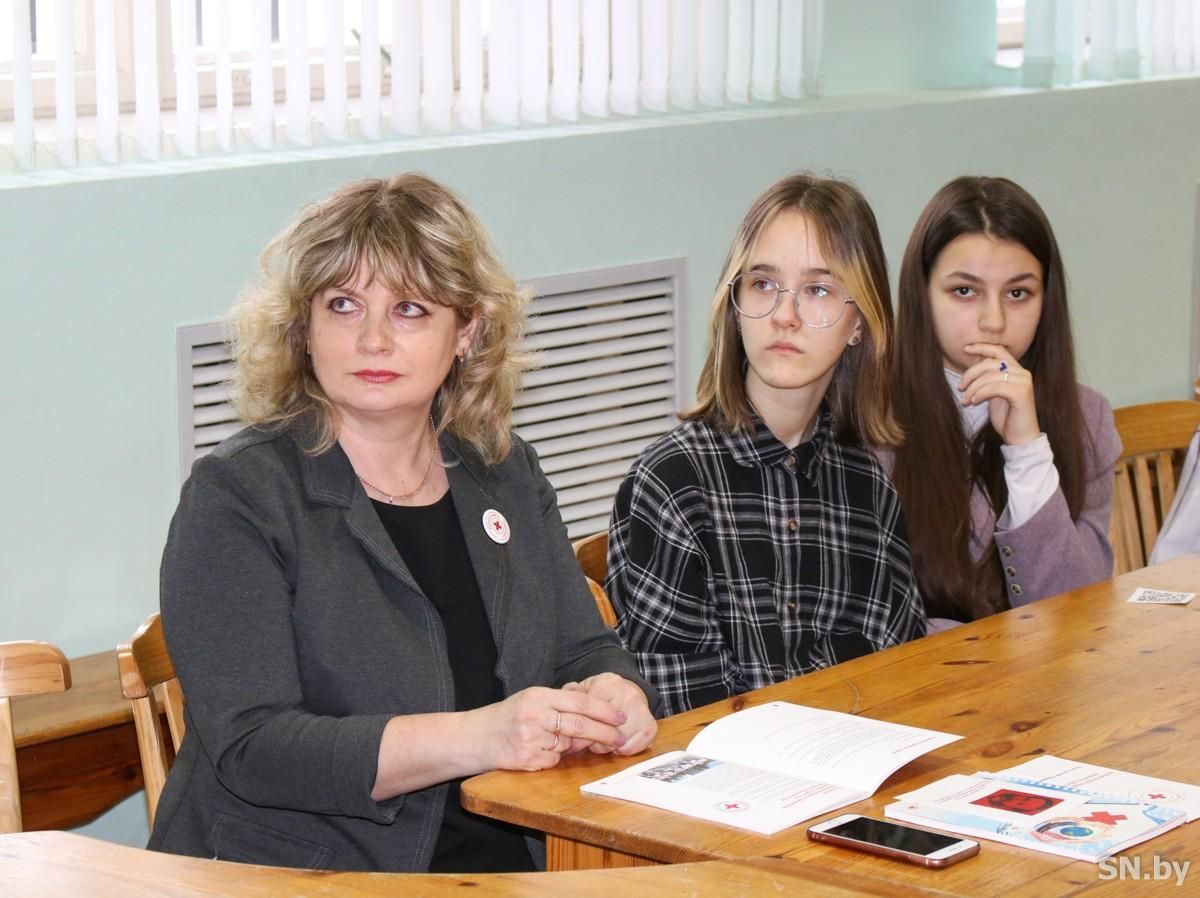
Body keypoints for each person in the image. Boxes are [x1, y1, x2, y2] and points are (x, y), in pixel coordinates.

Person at [150, 174, 659, 873]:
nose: (373, 339)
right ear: (303, 329)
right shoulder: (239, 494)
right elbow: (254, 748)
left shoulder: (504, 470)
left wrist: (616, 693)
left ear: (467, 332)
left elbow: (582, 649)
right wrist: (481, 737)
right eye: (343, 304)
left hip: (513, 858)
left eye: (411, 309)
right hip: (305, 874)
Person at [605, 173, 925, 716]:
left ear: (859, 324)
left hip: (854, 757)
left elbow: (898, 678)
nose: (784, 315)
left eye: (818, 290)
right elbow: (676, 708)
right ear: (734, 305)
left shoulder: (868, 488)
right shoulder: (673, 484)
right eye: (762, 284)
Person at [890, 176, 1121, 628]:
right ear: (921, 293)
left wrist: (1027, 450)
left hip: (1051, 669)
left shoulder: (1086, 419)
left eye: (1018, 293)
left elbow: (1078, 616)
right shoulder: (866, 417)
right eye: (965, 291)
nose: (993, 322)